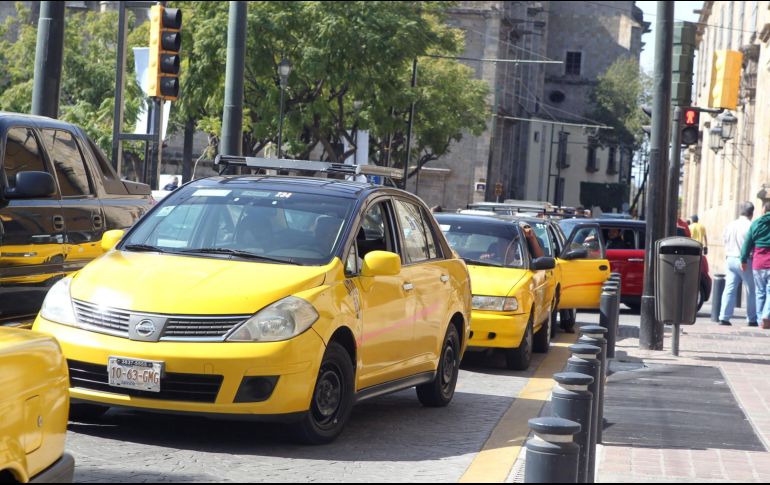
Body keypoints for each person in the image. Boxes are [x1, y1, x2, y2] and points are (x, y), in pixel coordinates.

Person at [719, 202, 757, 327]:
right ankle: (752, 318)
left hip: (730, 258)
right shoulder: (750, 225)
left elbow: (724, 239)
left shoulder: (730, 224)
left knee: (729, 288)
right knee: (751, 289)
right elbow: (753, 244)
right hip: (744, 260)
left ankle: (724, 317)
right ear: (751, 213)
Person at [741, 201, 770, 329]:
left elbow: (747, 243)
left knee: (760, 292)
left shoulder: (756, 223)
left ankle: (759, 320)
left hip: (758, 263)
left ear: (764, 210)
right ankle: (766, 315)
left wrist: (743, 260)